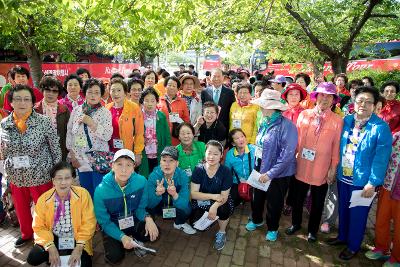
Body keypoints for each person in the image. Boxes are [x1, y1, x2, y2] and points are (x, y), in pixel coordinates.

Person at [327, 86, 392, 261]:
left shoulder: (380, 127)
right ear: (354, 102)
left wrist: (373, 182)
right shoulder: (347, 120)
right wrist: (333, 169)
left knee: (358, 214)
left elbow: (381, 158)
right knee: (344, 209)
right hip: (343, 176)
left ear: (375, 105)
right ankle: (342, 237)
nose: (363, 104)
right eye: (360, 100)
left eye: (368, 102)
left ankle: (353, 245)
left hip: (363, 181)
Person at [0, 84, 62, 247]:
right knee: (21, 208)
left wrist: (57, 173)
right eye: (17, 99)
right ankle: (26, 233)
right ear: (11, 102)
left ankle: (48, 235)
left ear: (33, 102)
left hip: (40, 174)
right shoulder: (4, 124)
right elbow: (3, 150)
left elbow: (55, 147)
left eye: (26, 99)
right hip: (16, 176)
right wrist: (7, 173)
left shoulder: (43, 121)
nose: (22, 102)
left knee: (46, 209)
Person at [286, 82, 343, 243]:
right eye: (322, 95)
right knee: (297, 197)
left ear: (333, 100)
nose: (324, 99)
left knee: (318, 201)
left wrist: (333, 168)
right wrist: (291, 158)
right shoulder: (304, 115)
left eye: (329, 96)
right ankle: (296, 223)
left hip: (322, 167)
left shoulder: (338, 121)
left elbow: (336, 146)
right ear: (316, 97)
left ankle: (312, 230)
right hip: (302, 163)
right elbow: (295, 139)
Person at [245, 89, 297, 241]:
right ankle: (256, 219)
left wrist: (270, 174)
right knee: (257, 197)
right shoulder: (264, 120)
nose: (261, 107)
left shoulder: (287, 126)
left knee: (274, 202)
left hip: (278, 172)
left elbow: (287, 156)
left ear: (273, 107)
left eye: (264, 105)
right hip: (260, 165)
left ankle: (273, 228)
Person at [94, 149, 159, 264]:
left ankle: (135, 239)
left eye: (128, 165)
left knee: (152, 230)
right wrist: (121, 237)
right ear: (112, 166)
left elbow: (140, 209)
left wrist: (148, 219)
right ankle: (122, 240)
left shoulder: (141, 181)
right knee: (114, 256)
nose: (124, 170)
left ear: (133, 167)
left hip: (132, 218)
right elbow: (104, 222)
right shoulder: (100, 191)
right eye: (119, 164)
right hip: (113, 224)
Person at [26, 162, 96, 267]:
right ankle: (57, 253)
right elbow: (39, 226)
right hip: (53, 236)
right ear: (53, 181)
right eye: (59, 178)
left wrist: (79, 247)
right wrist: (50, 246)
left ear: (72, 179)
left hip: (76, 236)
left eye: (67, 178)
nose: (63, 182)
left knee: (85, 264)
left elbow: (89, 222)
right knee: (33, 258)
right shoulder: (44, 199)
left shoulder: (83, 194)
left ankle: (66, 253)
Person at [66, 78, 112, 198]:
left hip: (99, 158)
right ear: (84, 93)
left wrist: (92, 123)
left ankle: (99, 216)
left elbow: (107, 135)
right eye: (90, 92)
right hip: (81, 159)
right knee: (86, 193)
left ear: (101, 94)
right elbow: (70, 133)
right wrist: (72, 155)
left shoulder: (105, 112)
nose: (93, 95)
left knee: (100, 193)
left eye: (97, 92)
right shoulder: (76, 110)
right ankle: (89, 216)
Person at [191, 140, 234, 250]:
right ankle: (210, 221)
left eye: (216, 154)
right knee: (195, 223)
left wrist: (214, 207)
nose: (212, 157)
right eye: (209, 153)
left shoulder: (226, 171)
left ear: (221, 156)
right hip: (204, 200)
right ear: (205, 154)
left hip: (221, 201)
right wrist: (212, 196)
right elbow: (194, 194)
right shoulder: (198, 169)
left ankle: (222, 232)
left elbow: (224, 196)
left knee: (224, 210)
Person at [365, 130, 400, 266]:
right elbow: (383, 157)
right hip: (387, 186)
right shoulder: (396, 136)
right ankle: (381, 248)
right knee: (381, 219)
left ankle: (397, 257)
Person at [146, 146, 196, 234]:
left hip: (175, 204)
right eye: (164, 160)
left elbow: (184, 204)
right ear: (160, 162)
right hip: (159, 206)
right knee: (147, 209)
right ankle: (150, 224)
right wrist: (157, 194)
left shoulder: (183, 176)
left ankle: (178, 223)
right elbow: (149, 204)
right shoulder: (153, 176)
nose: (167, 164)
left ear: (177, 163)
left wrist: (175, 194)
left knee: (188, 209)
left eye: (171, 160)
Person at [106, 78, 144, 166]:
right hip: (111, 152)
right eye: (113, 90)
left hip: (128, 151)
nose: (116, 93)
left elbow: (139, 132)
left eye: (119, 90)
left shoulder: (134, 108)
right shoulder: (107, 108)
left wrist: (138, 153)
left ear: (125, 92)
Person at [35, 75, 70, 160]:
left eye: (54, 91)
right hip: (39, 153)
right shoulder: (34, 109)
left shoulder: (64, 110)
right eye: (47, 90)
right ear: (42, 90)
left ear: (58, 93)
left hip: (60, 152)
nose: (51, 93)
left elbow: (69, 133)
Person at [138, 88, 171, 177]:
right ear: (142, 102)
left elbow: (167, 136)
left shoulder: (161, 116)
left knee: (159, 178)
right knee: (144, 177)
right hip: (143, 155)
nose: (149, 104)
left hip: (159, 153)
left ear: (156, 102)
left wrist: (168, 153)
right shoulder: (138, 115)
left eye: (152, 101)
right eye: (146, 101)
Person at [224, 129, 256, 206]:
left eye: (242, 136)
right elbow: (227, 172)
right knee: (232, 202)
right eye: (237, 138)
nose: (241, 139)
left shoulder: (253, 149)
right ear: (233, 143)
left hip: (253, 181)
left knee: (256, 200)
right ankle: (241, 198)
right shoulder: (230, 155)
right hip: (237, 182)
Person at [201, 68, 236, 132]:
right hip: (207, 127)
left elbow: (232, 110)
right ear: (210, 77)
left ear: (223, 77)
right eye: (214, 76)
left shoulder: (230, 92)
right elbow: (202, 109)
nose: (216, 79)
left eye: (219, 76)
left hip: (223, 127)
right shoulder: (205, 92)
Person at [158, 76, 190, 145]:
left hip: (176, 137)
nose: (171, 87)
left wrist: (178, 120)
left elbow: (186, 120)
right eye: (169, 85)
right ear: (165, 86)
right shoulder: (158, 100)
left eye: (174, 86)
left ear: (178, 89)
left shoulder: (182, 102)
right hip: (161, 136)